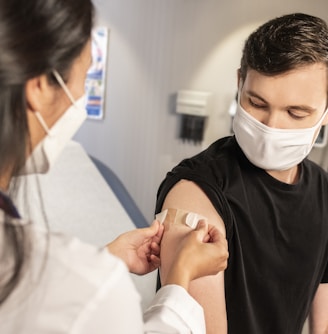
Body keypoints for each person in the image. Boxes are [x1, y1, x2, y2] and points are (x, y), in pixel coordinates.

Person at [0, 1, 229, 333]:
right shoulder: (90, 285)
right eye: (88, 74)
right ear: (38, 86)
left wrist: (106, 259)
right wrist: (178, 279)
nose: (82, 93)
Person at [156, 12, 328, 334]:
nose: (271, 126)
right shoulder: (195, 192)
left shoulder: (324, 192)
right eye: (257, 102)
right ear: (240, 83)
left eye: (296, 112)